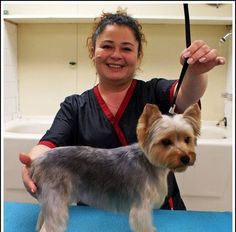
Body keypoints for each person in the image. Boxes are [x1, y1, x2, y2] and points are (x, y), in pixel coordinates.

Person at [21, 10, 225, 210]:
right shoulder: (75, 106)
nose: (116, 55)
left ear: (138, 55)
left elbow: (186, 97)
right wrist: (34, 162)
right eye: (107, 46)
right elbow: (50, 143)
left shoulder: (153, 92)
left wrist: (196, 73)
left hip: (159, 213)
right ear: (93, 51)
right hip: (97, 213)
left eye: (126, 49)